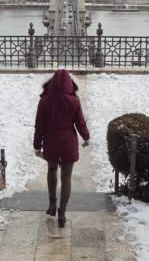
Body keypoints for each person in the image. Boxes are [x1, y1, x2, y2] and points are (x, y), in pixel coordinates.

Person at [33, 69, 90, 228]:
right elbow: (80, 123)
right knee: (66, 179)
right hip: (68, 143)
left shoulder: (44, 101)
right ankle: (62, 213)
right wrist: (86, 137)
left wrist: (37, 146)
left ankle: (52, 204)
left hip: (51, 141)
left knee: (51, 170)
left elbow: (39, 126)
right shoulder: (74, 101)